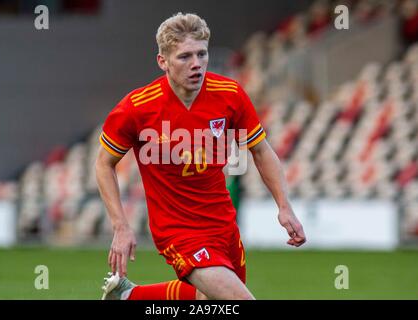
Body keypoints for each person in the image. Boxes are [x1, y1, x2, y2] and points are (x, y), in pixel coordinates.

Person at [95, 12, 306, 301]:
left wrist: (284, 206)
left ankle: (128, 297)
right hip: (177, 230)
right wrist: (120, 225)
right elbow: (103, 164)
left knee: (205, 301)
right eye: (184, 57)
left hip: (222, 224)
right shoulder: (136, 108)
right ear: (163, 62)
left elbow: (261, 151)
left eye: (201, 54)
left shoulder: (230, 94)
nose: (196, 64)